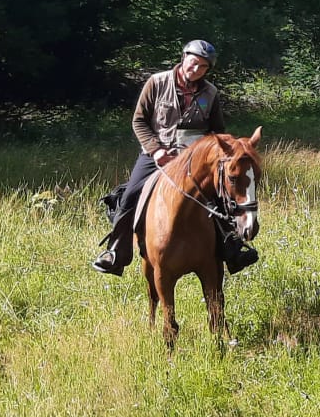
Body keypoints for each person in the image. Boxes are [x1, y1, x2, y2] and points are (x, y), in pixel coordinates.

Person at [92, 39, 253, 275]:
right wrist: (156, 149)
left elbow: (217, 130)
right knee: (130, 196)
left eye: (203, 67)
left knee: (222, 196)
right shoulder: (157, 82)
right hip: (157, 155)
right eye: (193, 62)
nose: (196, 69)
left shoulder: (210, 93)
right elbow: (139, 120)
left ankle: (233, 250)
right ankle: (116, 252)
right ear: (184, 57)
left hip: (195, 161)